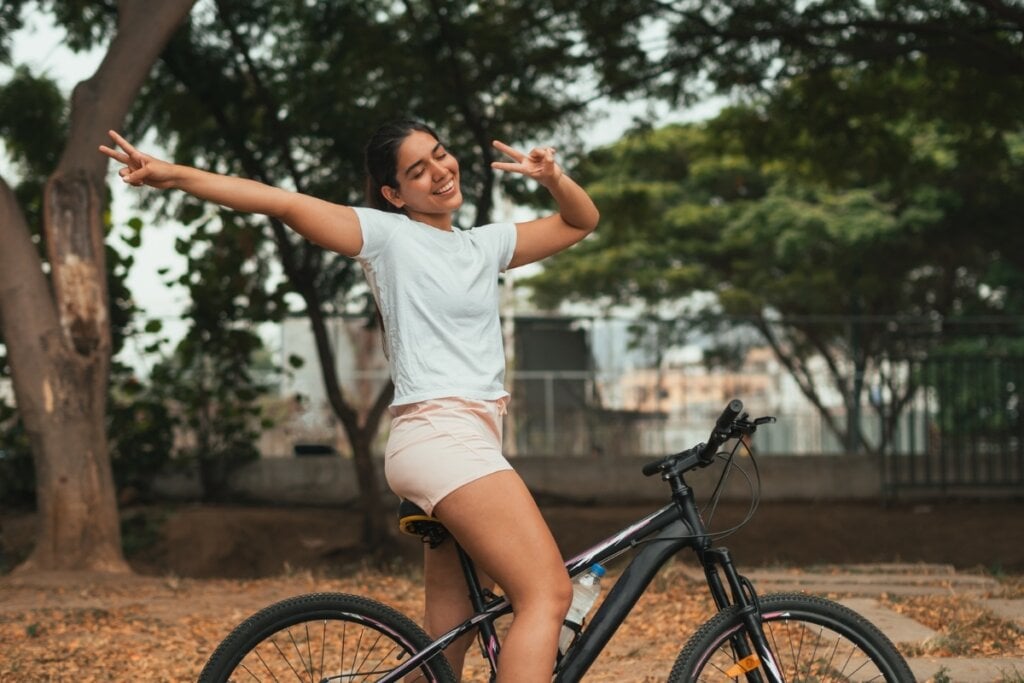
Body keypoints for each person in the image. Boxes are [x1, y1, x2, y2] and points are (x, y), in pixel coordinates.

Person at [99, 119, 599, 682]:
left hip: (463, 440)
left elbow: (581, 221)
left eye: (440, 156)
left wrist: (553, 177)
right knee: (546, 595)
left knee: (446, 634)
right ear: (394, 193)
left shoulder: (483, 245)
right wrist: (175, 175)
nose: (439, 172)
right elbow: (282, 203)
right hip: (443, 439)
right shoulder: (388, 237)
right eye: (417, 171)